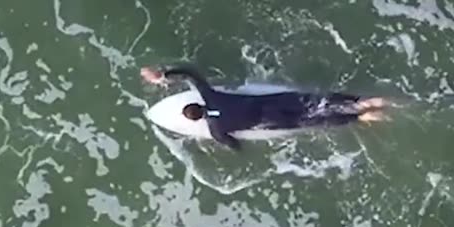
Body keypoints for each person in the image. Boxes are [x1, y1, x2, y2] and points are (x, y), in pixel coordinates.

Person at [140, 65, 389, 150]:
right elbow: (190, 75)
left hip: (275, 122)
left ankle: (366, 118)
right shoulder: (210, 96)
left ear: (196, 121)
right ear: (197, 102)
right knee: (327, 101)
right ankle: (373, 102)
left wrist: (214, 144)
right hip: (276, 102)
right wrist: (163, 75)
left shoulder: (216, 130)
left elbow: (236, 145)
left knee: (318, 120)